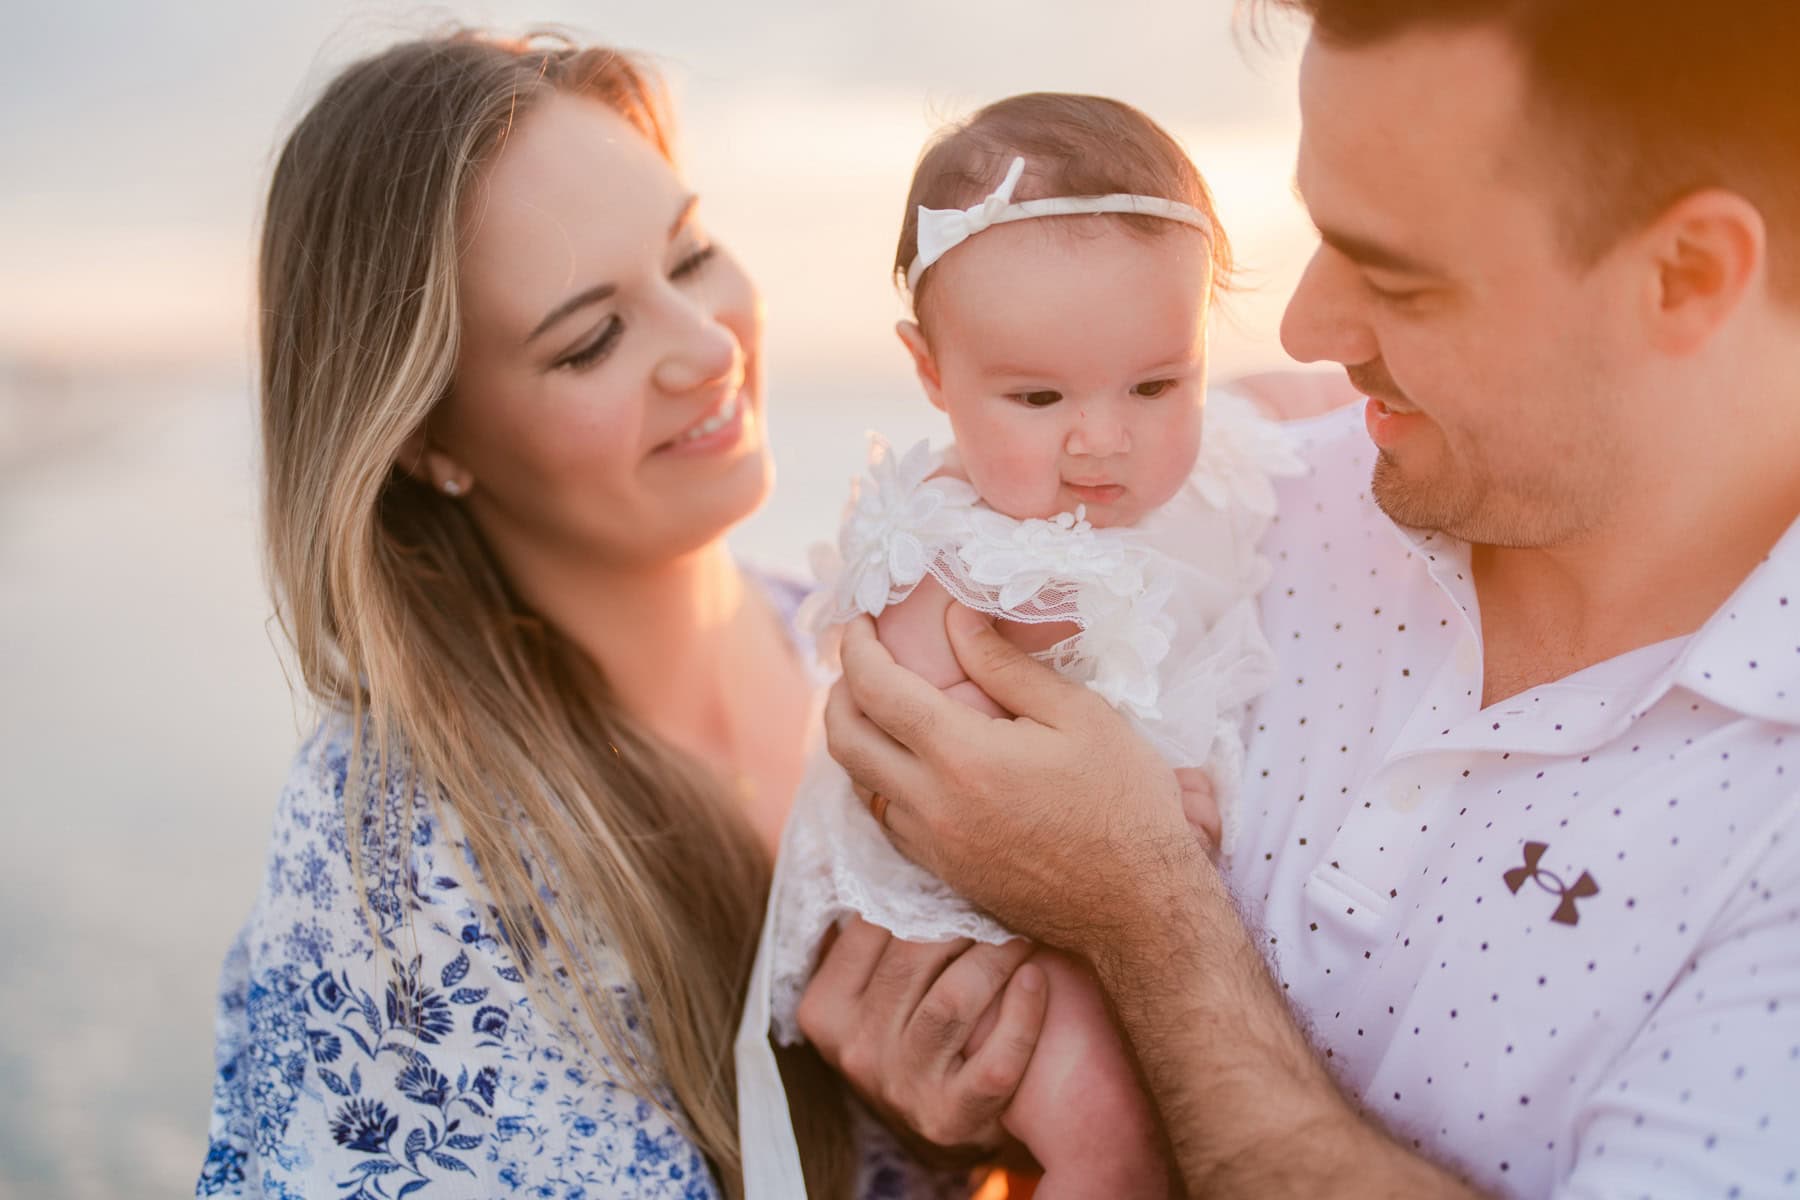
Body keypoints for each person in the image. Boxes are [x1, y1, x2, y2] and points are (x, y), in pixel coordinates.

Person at [806, 1, 1800, 1196]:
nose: (1304, 326)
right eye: (1321, 235)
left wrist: (1144, 917)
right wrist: (970, 1099)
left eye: (1401, 279)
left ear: (1685, 276)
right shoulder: (1244, 480)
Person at [195, 31, 1038, 1199]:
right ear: (428, 438)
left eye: (690, 258)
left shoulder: (872, 651)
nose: (705, 348)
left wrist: (989, 1137)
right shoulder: (400, 863)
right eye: (590, 338)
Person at [738, 95, 1302, 1198]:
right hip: (979, 926)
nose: (1103, 437)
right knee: (1110, 1132)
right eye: (1038, 396)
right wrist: (1135, 796)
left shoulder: (1215, 474)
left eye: (1157, 382)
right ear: (932, 375)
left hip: (1098, 901)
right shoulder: (953, 556)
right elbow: (948, 766)